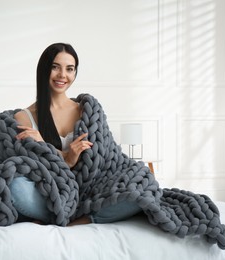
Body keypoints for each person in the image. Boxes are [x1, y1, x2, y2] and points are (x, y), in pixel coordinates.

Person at [10, 43, 141, 226]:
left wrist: (57, 154)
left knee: (140, 188)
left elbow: (105, 159)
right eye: (55, 67)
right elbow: (30, 168)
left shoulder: (88, 111)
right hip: (51, 194)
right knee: (16, 188)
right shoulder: (24, 117)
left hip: (92, 191)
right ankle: (60, 214)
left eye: (69, 69)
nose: (63, 75)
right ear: (43, 69)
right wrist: (65, 158)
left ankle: (76, 221)